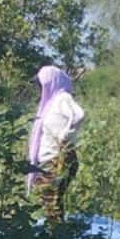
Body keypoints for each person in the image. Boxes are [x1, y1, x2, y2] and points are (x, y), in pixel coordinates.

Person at [28, 65, 85, 221]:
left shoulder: (62, 98)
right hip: (49, 160)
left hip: (57, 160)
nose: (39, 89)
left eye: (41, 85)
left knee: (50, 203)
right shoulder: (51, 102)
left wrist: (65, 135)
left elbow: (79, 115)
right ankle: (58, 236)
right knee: (51, 202)